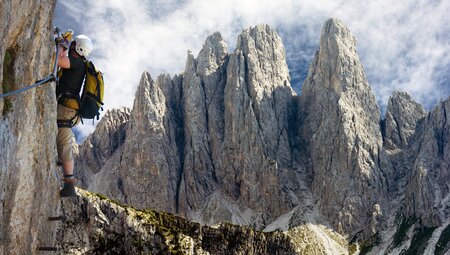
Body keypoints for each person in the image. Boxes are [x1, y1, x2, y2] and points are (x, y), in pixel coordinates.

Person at [56, 35, 93, 197]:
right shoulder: (80, 63)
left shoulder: (77, 63)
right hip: (68, 109)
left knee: (64, 143)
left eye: (73, 44)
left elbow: (58, 61)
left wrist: (61, 46)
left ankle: (69, 184)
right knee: (62, 141)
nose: (71, 46)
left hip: (66, 110)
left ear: (77, 47)